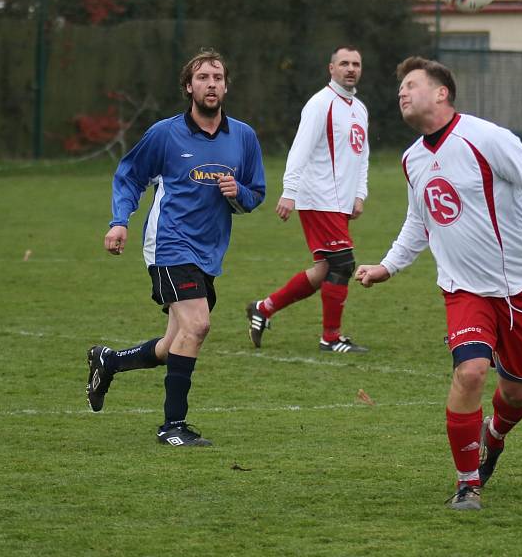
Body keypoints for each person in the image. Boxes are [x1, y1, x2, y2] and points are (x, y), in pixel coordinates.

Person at [355, 56, 522, 509]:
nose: (402, 92)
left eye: (412, 84)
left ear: (442, 93)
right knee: (472, 371)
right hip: (464, 289)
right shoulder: (411, 159)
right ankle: (467, 483)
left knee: (516, 393)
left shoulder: (487, 139)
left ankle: (494, 436)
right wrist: (389, 266)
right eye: (400, 86)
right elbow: (418, 221)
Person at [86, 49, 266, 447]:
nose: (212, 84)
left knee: (175, 344)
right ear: (189, 87)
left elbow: (257, 194)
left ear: (226, 85)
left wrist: (240, 192)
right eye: (203, 77)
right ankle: (172, 426)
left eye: (218, 77)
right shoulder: (165, 134)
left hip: (209, 252)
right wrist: (119, 222)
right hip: (168, 244)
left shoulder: (244, 137)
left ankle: (109, 361)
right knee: (198, 324)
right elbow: (129, 176)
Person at [246, 45, 370, 353]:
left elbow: (362, 155)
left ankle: (263, 308)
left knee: (325, 270)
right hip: (319, 197)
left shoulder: (360, 108)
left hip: (340, 202)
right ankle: (330, 338)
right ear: (331, 69)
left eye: (355, 63)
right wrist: (290, 192)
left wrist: (359, 193)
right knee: (343, 264)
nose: (350, 68)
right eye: (344, 63)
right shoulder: (320, 104)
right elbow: (300, 149)